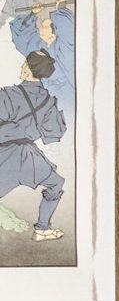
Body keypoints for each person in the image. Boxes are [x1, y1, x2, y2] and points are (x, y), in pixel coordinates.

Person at [0, 48, 66, 240]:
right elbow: (54, 133)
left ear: (28, 70)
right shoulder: (48, 101)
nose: (22, 66)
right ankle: (42, 229)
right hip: (27, 155)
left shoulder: (8, 94)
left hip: (5, 153)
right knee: (56, 184)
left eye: (25, 64)